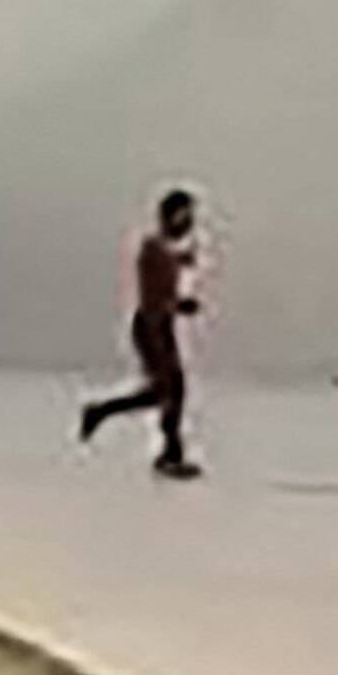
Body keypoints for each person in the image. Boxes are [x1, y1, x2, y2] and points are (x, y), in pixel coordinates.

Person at [77, 187, 204, 479]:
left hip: (159, 324)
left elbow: (163, 289)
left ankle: (102, 412)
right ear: (169, 216)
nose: (189, 223)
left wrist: (179, 283)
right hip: (151, 326)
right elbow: (153, 295)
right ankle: (169, 455)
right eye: (185, 215)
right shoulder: (154, 249)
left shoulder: (164, 251)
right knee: (169, 390)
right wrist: (179, 303)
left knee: (167, 391)